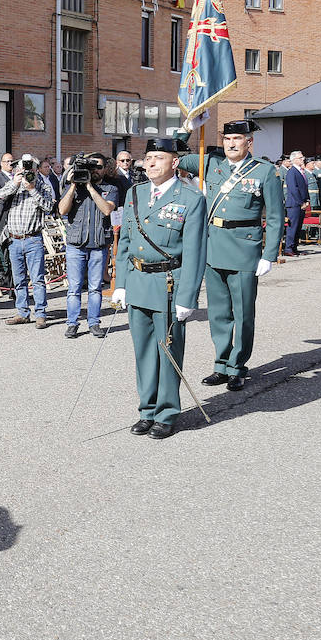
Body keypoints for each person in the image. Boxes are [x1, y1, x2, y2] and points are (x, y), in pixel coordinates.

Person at [110, 138, 206, 440]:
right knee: (143, 353)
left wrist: (187, 296)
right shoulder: (135, 193)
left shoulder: (191, 198)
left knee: (169, 352)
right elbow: (124, 242)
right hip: (138, 282)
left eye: (159, 158)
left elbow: (194, 251)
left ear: (174, 163)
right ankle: (147, 410)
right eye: (148, 157)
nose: (150, 163)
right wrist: (121, 284)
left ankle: (166, 413)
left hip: (168, 285)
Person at [177, 120, 284, 389]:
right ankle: (221, 364)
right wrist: (187, 126)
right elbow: (175, 155)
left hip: (245, 249)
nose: (231, 143)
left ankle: (238, 365)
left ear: (249, 142)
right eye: (227, 138)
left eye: (237, 138)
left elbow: (274, 217)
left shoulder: (264, 171)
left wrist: (268, 255)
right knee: (219, 312)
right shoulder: (211, 162)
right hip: (213, 247)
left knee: (243, 313)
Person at [57, 153, 120, 339]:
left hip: (99, 244)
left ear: (104, 169)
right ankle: (72, 323)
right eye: (91, 167)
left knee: (95, 287)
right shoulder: (74, 187)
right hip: (76, 244)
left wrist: (91, 188)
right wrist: (73, 185)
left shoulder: (111, 188)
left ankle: (94, 322)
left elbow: (107, 209)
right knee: (74, 288)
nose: (94, 170)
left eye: (98, 167)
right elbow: (62, 210)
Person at [0, 155, 55, 328]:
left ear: (36, 169)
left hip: (33, 239)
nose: (27, 172)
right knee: (19, 280)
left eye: (30, 169)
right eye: (23, 169)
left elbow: (49, 207)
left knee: (37, 279)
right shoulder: (14, 184)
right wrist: (15, 183)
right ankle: (22, 312)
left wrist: (32, 189)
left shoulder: (42, 186)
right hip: (14, 239)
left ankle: (41, 313)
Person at [282, 151, 309, 256]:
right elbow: (293, 189)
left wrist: (307, 200)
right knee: (292, 226)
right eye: (301, 158)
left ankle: (294, 247)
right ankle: (288, 248)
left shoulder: (301, 171)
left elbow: (304, 187)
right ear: (294, 160)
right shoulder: (292, 172)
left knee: (298, 227)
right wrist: (301, 202)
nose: (303, 159)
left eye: (303, 157)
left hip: (301, 203)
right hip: (294, 204)